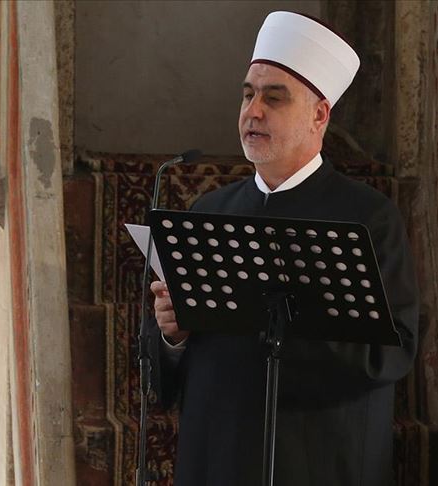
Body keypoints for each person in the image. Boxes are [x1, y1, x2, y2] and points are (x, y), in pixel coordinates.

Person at [148, 11, 419, 486]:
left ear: (319, 115)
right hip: (217, 457)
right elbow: (170, 363)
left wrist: (280, 318)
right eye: (248, 95)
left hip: (319, 458)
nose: (253, 111)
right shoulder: (209, 210)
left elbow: (393, 350)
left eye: (274, 98)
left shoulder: (369, 217)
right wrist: (173, 335)